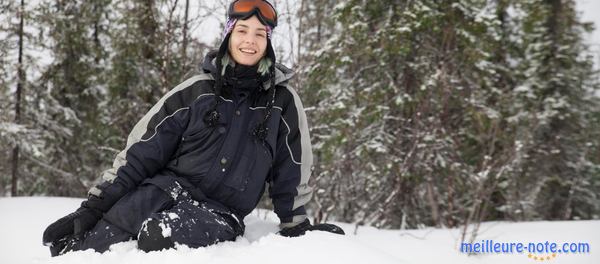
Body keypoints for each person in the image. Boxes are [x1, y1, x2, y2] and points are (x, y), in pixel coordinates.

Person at [42, 0, 344, 256]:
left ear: (267, 43)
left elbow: (291, 167)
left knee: (158, 237)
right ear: (228, 36)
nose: (250, 41)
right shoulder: (195, 92)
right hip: (156, 193)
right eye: (242, 31)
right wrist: (93, 209)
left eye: (259, 34)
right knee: (84, 250)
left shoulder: (282, 102)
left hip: (219, 212)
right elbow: (139, 155)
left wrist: (296, 223)